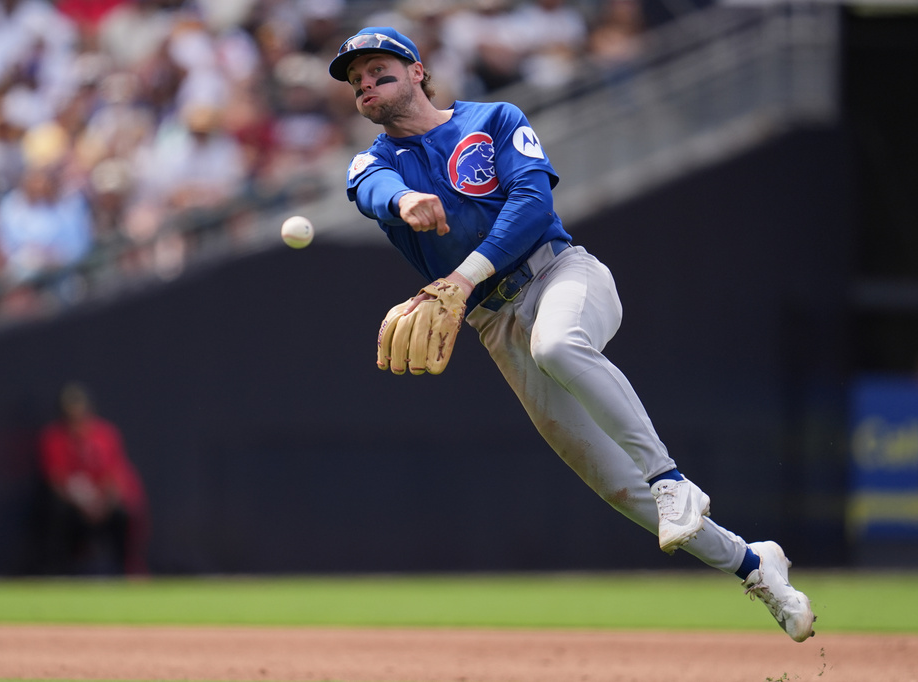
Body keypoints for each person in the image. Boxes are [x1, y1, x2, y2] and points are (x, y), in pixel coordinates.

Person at [328, 26, 817, 642]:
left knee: (558, 344)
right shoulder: (373, 162)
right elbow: (373, 189)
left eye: (378, 69)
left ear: (418, 70)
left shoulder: (495, 117)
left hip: (561, 271)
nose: (367, 83)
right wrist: (401, 203)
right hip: (491, 320)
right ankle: (756, 566)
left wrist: (459, 276)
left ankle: (672, 482)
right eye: (356, 81)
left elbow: (532, 204)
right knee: (611, 481)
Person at [38, 382, 150, 575]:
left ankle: (129, 570)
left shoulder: (106, 434)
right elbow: (56, 480)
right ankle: (56, 573)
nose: (76, 415)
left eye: (80, 408)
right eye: (70, 410)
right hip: (73, 505)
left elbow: (115, 476)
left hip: (103, 504)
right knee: (55, 511)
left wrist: (102, 505)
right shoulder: (54, 437)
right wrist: (83, 504)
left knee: (125, 511)